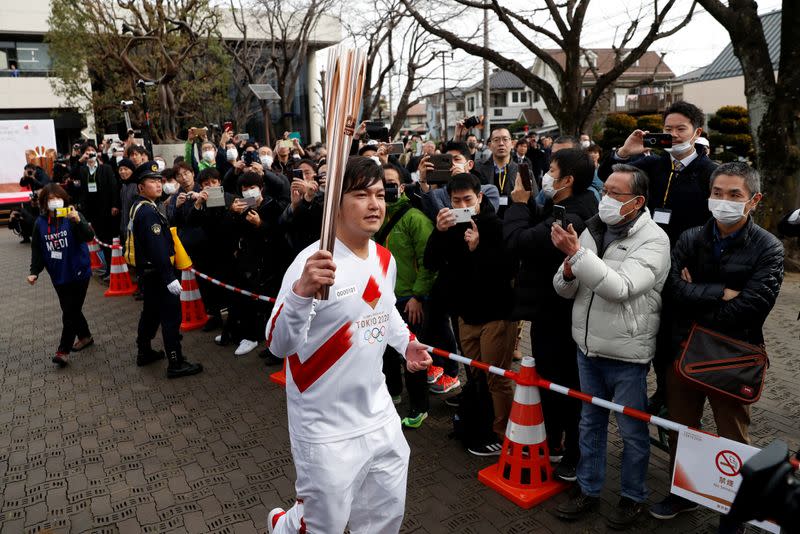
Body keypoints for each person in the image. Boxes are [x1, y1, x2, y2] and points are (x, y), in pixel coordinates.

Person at [265, 156, 432, 534]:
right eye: (361, 194)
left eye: (379, 194)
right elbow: (277, 344)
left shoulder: (384, 259)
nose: (375, 204)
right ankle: (284, 526)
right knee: (324, 525)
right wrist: (300, 293)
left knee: (384, 516)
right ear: (335, 205)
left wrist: (406, 344)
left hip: (379, 415)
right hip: (325, 427)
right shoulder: (312, 264)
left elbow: (382, 309)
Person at [650, 162, 785, 521]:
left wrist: (696, 295)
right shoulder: (690, 237)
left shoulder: (769, 248)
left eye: (734, 195)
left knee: (733, 436)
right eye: (717, 193)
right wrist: (720, 292)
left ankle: (735, 509)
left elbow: (752, 308)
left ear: (753, 200)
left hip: (733, 355)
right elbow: (672, 290)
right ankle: (683, 492)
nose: (723, 201)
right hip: (683, 350)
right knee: (682, 428)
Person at [551, 164, 670, 529]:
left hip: (626, 352)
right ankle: (588, 489)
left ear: (637, 201)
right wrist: (571, 266)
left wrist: (577, 256)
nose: (606, 199)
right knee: (590, 424)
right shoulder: (593, 228)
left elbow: (620, 288)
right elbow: (562, 286)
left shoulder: (654, 240)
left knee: (632, 431)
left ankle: (633, 496)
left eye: (615, 194)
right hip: (586, 347)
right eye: (605, 191)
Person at [601, 100, 718, 415]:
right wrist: (626, 152)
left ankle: (673, 394)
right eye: (668, 129)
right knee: (649, 329)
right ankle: (660, 390)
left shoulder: (710, 173)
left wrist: (698, 266)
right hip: (647, 261)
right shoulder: (652, 165)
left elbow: (716, 225)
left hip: (685, 268)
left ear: (697, 132)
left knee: (676, 333)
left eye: (681, 129)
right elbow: (608, 177)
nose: (674, 135)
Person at [503, 148, 598, 480]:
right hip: (554, 310)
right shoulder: (575, 203)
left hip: (558, 313)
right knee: (556, 381)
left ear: (567, 180)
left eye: (552, 170)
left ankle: (573, 453)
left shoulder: (571, 216)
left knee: (565, 386)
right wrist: (528, 202)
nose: (547, 175)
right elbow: (539, 224)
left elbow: (519, 241)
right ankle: (556, 442)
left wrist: (516, 204)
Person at [424, 173, 516, 456]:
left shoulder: (497, 225)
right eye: (456, 200)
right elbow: (431, 262)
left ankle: (505, 435)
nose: (461, 204)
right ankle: (482, 426)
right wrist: (438, 232)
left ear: (479, 198)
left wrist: (478, 249)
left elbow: (506, 271)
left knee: (496, 378)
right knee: (475, 374)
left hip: (496, 314)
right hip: (465, 314)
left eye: (467, 199)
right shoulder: (450, 225)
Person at [130, 161, 204, 378]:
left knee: (151, 314)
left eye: (158, 180)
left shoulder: (142, 206)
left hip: (149, 273)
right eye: (151, 181)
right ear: (140, 187)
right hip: (159, 273)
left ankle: (144, 351)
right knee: (171, 317)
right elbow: (157, 247)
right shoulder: (148, 212)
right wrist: (169, 277)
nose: (158, 184)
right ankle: (176, 362)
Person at [378, 164, 437, 428]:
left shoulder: (414, 217)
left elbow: (429, 261)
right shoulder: (374, 215)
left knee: (411, 355)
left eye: (391, 183)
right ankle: (393, 393)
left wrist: (418, 296)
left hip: (409, 299)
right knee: (385, 352)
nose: (386, 188)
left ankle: (419, 407)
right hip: (381, 299)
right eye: (382, 184)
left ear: (402, 185)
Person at [27, 184, 95, 366]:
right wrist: (34, 271)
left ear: (64, 199)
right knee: (70, 308)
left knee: (70, 312)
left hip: (79, 272)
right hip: (58, 274)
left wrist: (78, 221)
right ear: (43, 203)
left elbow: (89, 236)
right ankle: (85, 336)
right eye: (50, 199)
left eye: (58, 198)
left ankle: (63, 350)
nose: (54, 202)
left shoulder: (73, 215)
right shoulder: (40, 223)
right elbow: (38, 249)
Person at [76, 144, 120, 279]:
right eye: (87, 151)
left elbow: (113, 186)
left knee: (108, 239)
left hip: (106, 209)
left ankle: (113, 270)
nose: (90, 153)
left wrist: (114, 205)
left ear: (97, 153)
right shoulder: (82, 170)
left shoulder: (105, 168)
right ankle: (108, 268)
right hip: (92, 211)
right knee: (100, 238)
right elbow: (71, 175)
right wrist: (80, 160)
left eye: (92, 151)